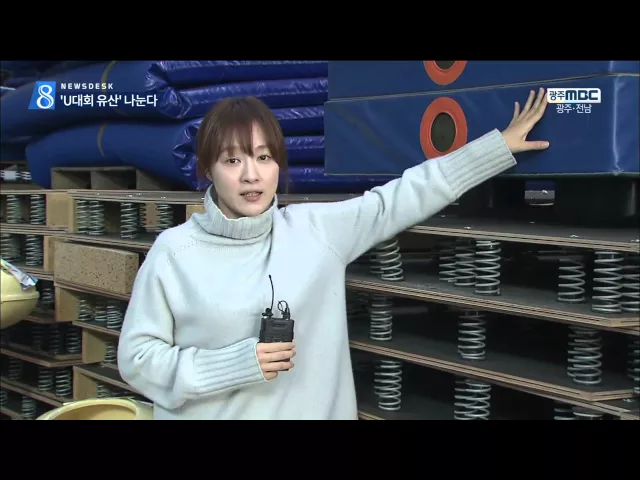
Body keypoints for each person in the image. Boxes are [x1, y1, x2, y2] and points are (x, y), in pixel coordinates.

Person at [117, 88, 550, 420]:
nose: (251, 175)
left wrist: (498, 148)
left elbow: (401, 197)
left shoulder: (316, 232)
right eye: (232, 161)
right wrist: (233, 364)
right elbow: (137, 361)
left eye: (264, 157)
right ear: (207, 169)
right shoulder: (175, 252)